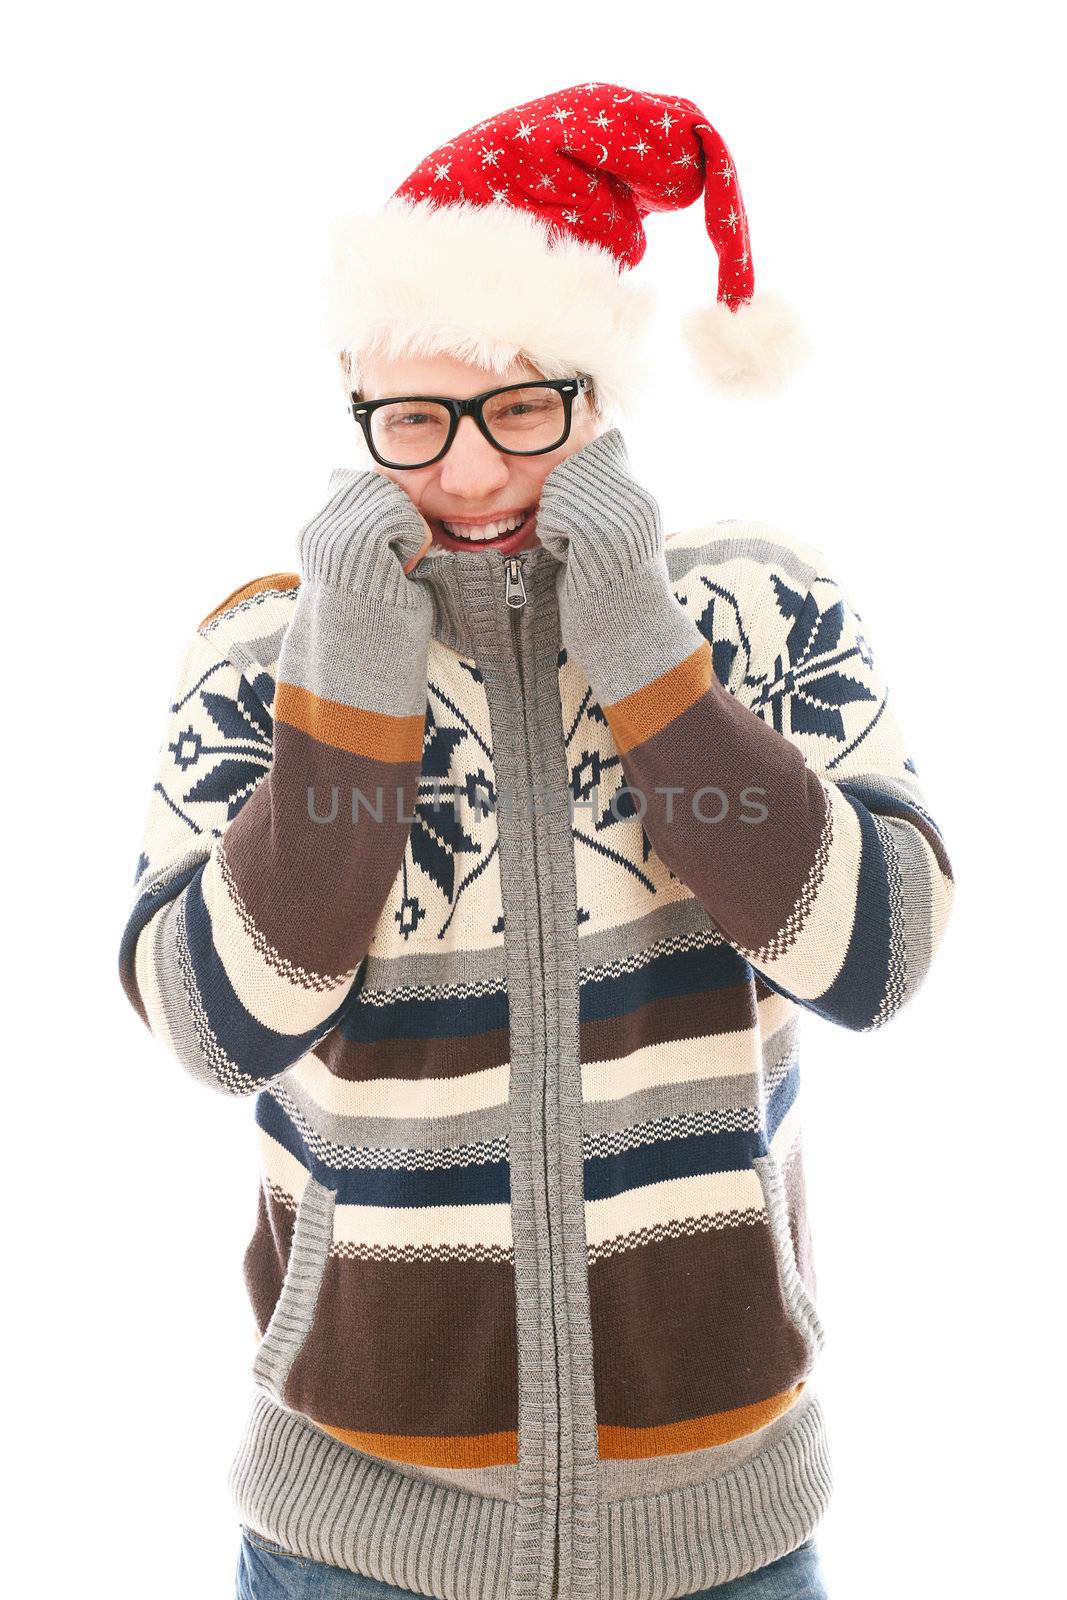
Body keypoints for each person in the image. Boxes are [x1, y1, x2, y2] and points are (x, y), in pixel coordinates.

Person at [117, 82, 955, 1600]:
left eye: (523, 408)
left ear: (598, 393)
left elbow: (872, 955)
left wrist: (637, 637)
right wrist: (355, 675)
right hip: (353, 1548)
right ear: (358, 409)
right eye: (417, 419)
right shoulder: (259, 658)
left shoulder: (760, 613)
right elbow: (220, 1023)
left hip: (727, 1543)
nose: (477, 470)